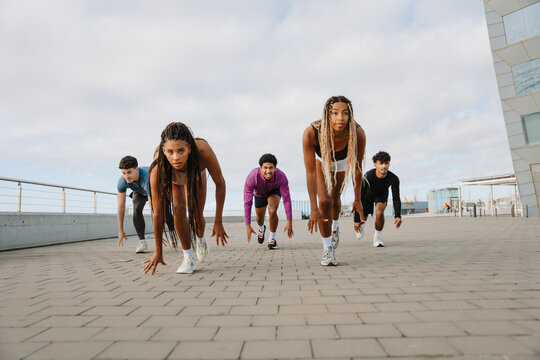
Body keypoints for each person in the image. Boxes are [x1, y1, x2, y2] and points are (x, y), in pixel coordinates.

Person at [143, 122, 229, 275]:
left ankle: (200, 239)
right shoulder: (158, 168)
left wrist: (218, 221)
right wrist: (158, 251)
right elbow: (157, 213)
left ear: (189, 148)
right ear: (163, 150)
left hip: (196, 174)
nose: (175, 157)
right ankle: (188, 257)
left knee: (196, 215)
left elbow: (220, 183)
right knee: (178, 208)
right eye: (170, 152)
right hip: (174, 179)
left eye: (181, 151)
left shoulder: (203, 151)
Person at [302, 95, 366, 266]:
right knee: (325, 202)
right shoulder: (312, 132)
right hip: (320, 162)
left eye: (345, 113)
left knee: (336, 200)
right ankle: (328, 249)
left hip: (341, 163)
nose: (340, 118)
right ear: (327, 115)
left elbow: (358, 168)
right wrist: (313, 208)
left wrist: (357, 198)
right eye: (335, 113)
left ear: (350, 115)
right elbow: (309, 172)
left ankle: (335, 227)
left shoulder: (357, 132)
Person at [244, 153, 294, 249]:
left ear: (275, 168)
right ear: (260, 168)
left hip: (274, 191)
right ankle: (262, 229)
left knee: (272, 211)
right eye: (265, 168)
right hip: (259, 193)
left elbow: (287, 199)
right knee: (259, 218)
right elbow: (247, 202)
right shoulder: (252, 177)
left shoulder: (281, 176)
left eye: (271, 168)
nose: (268, 171)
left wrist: (289, 222)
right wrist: (248, 225)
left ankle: (272, 239)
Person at [354, 151, 402, 247]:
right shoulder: (367, 176)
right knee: (363, 217)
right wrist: (356, 220)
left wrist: (397, 216)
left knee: (379, 212)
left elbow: (396, 198)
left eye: (386, 163)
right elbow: (359, 197)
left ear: (389, 164)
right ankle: (362, 225)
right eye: (381, 163)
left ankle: (377, 238)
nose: (384, 166)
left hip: (381, 194)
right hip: (368, 195)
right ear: (375, 164)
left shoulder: (394, 178)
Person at [117, 156, 150, 253]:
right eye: (124, 173)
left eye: (129, 172)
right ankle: (142, 242)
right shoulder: (122, 181)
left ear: (136, 169)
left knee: (163, 210)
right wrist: (120, 230)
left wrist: (158, 233)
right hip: (139, 191)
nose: (126, 176)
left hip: (155, 188)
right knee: (136, 208)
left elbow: (154, 208)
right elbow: (121, 207)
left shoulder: (146, 177)